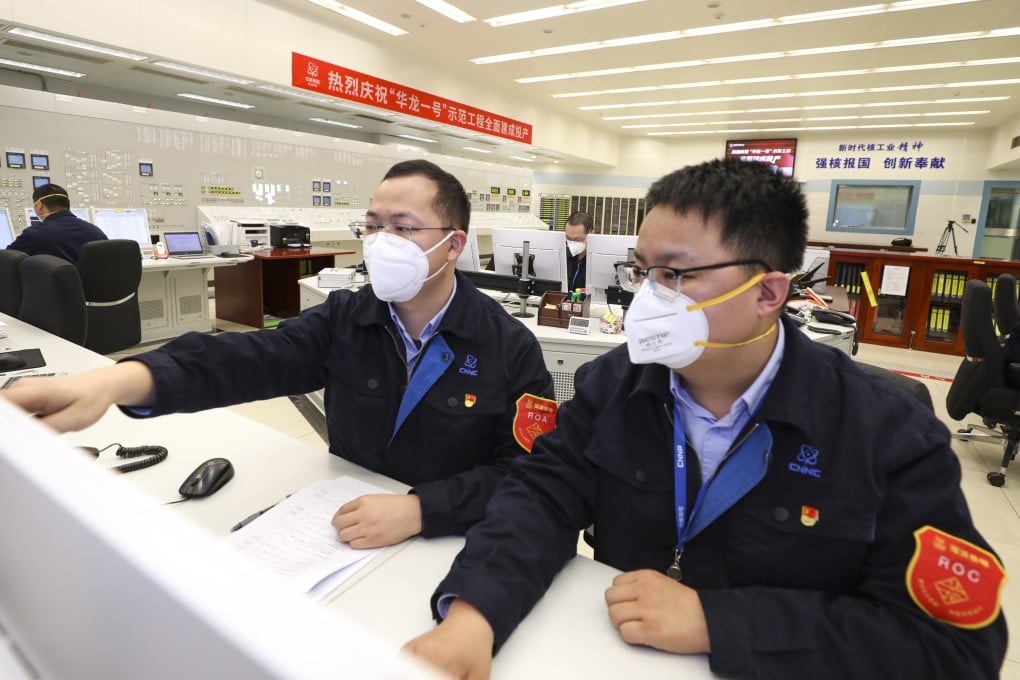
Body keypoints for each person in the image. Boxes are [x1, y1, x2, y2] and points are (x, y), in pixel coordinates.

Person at [404, 158, 1008, 678]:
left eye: (675, 275)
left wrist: (719, 623)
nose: (648, 298)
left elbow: (953, 648)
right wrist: (473, 615)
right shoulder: (614, 385)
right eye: (644, 272)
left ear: (769, 295)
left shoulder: (887, 434)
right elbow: (539, 497)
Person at [3, 159, 556, 549]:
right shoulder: (347, 318)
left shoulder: (509, 348)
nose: (381, 242)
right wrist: (115, 382)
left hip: (449, 543)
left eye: (403, 228)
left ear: (454, 244)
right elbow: (248, 358)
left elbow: (529, 474)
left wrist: (421, 510)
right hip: (343, 527)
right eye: (373, 227)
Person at [6, 184, 107, 265]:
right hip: (97, 290)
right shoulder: (96, 231)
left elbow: (6, 259)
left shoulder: (34, 234)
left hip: (57, 290)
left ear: (40, 206)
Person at [564, 210, 593, 292]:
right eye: (568, 238)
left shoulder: (597, 261)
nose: (572, 243)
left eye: (578, 240)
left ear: (591, 233)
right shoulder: (562, 256)